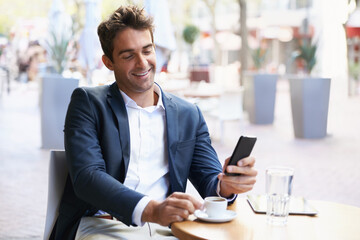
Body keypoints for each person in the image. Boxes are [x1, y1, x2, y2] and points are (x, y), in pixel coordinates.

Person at [50, 5, 257, 240]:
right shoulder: (87, 103)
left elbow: (210, 182)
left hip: (170, 229)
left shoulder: (188, 114)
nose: (142, 63)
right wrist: (152, 210)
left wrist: (228, 185)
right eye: (128, 55)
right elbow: (88, 178)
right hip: (103, 226)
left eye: (147, 50)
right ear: (108, 62)